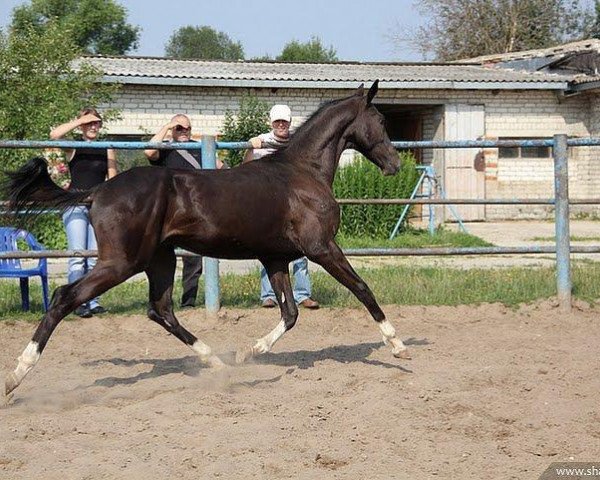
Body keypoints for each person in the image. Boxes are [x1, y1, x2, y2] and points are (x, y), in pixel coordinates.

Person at [144, 114, 225, 309]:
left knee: (193, 260)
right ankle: (159, 303)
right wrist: (167, 126)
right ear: (172, 130)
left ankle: (188, 301)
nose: (183, 132)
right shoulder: (165, 149)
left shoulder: (199, 148)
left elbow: (220, 167)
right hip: (168, 214)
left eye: (186, 128)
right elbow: (148, 152)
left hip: (196, 212)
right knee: (161, 259)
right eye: (179, 128)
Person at [244, 104, 319, 309]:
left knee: (300, 250)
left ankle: (302, 294)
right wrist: (251, 147)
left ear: (289, 122)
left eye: (284, 122)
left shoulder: (298, 141)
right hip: (269, 204)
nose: (280, 125)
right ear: (271, 123)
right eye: (277, 122)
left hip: (294, 202)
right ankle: (268, 294)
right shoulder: (263, 140)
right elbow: (246, 166)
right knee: (268, 248)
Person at [50, 107, 118, 318]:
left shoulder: (106, 147)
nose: (93, 127)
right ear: (81, 125)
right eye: (89, 123)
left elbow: (113, 177)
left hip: (99, 206)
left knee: (96, 256)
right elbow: (54, 135)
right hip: (76, 204)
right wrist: (79, 120)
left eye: (96, 122)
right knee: (78, 255)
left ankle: (93, 300)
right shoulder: (74, 147)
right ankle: (75, 301)